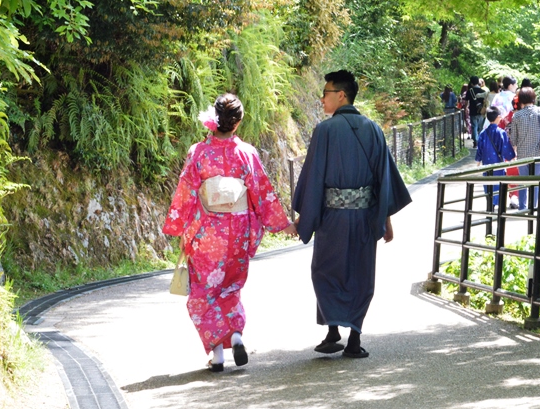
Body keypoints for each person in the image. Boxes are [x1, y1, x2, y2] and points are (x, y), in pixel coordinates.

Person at [162, 93, 296, 372]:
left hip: (206, 234)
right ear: (237, 123)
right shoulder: (247, 153)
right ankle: (235, 335)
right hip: (237, 232)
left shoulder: (198, 152)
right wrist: (282, 224)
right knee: (230, 287)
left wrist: (176, 225)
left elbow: (186, 192)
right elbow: (262, 193)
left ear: (215, 119)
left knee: (204, 291)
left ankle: (217, 355)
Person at [293, 70, 412, 359]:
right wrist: (385, 220)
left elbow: (315, 177)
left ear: (341, 95)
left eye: (326, 93)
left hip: (332, 217)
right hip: (364, 217)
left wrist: (305, 217)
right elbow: (383, 180)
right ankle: (352, 338)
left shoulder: (325, 130)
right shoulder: (373, 129)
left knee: (325, 272)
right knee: (360, 275)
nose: (322, 99)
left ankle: (334, 329)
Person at [507, 87, 540, 210]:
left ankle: (522, 207)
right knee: (535, 181)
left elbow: (514, 139)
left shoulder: (517, 116)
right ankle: (533, 207)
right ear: (534, 98)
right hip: (538, 152)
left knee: (523, 182)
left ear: (521, 99)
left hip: (522, 154)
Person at [475, 107, 516, 208]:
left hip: (486, 164)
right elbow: (505, 147)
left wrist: (478, 160)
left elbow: (479, 149)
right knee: (498, 183)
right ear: (498, 117)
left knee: (488, 183)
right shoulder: (501, 132)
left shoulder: (482, 133)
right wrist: (511, 157)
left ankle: (490, 203)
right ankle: (498, 204)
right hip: (498, 163)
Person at [466, 76, 487, 148]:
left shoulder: (470, 91)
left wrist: (466, 108)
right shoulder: (483, 91)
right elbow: (485, 102)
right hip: (481, 111)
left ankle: (476, 141)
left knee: (474, 126)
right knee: (480, 127)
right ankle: (480, 140)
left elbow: (466, 101)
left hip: (472, 110)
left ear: (471, 83)